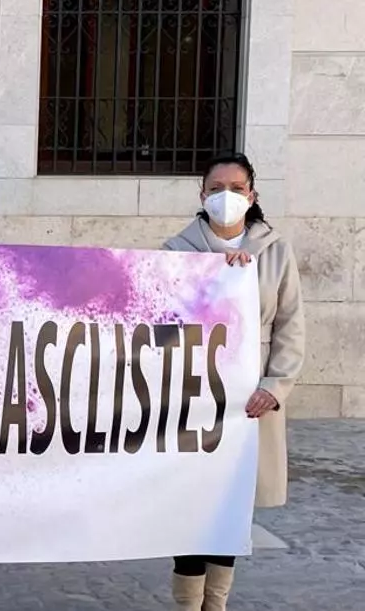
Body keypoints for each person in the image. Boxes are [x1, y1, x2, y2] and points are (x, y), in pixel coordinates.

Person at [163, 153, 305, 611]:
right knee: (191, 506)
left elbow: (290, 327)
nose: (226, 196)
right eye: (216, 188)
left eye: (237, 188)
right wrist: (214, 277)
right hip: (193, 398)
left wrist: (274, 387)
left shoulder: (276, 251)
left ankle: (216, 603)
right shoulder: (175, 251)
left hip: (248, 401)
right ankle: (188, 605)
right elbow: (161, 318)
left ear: (252, 194)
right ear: (202, 194)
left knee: (230, 506)